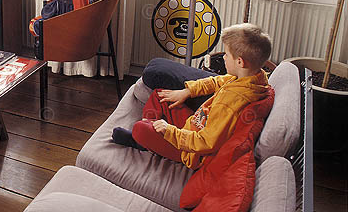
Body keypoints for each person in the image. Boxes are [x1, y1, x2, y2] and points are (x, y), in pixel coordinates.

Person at [112, 23, 272, 170]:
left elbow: (206, 142)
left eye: (227, 55)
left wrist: (169, 131)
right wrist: (187, 91)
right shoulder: (251, 78)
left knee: (140, 129)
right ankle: (153, 132)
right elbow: (215, 81)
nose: (223, 57)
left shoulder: (231, 104)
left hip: (191, 151)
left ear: (240, 62)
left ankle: (142, 140)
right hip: (194, 124)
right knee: (160, 94)